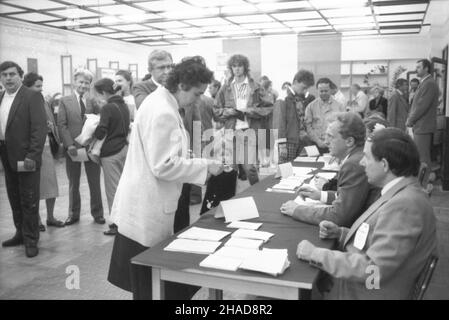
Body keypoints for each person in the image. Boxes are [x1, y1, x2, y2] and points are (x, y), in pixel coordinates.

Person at [108, 56, 223, 299]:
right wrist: (206, 166)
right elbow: (163, 165)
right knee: (148, 283)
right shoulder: (163, 111)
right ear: (182, 85)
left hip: (144, 199)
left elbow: (165, 149)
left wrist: (191, 156)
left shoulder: (163, 102)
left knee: (147, 281)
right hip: (148, 205)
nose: (199, 98)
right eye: (197, 93)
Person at [296, 128, 438, 299]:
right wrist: (342, 234)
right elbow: (381, 240)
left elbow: (373, 270)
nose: (362, 162)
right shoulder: (402, 192)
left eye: (367, 157)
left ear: (384, 165)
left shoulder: (405, 206)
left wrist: (315, 254)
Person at [280, 112, 379, 227]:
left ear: (349, 141)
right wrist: (319, 195)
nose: (326, 141)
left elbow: (338, 216)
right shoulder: (356, 157)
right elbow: (348, 197)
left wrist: (297, 210)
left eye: (330, 136)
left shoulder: (353, 164)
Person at [0, 61, 47, 258]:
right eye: (4, 75)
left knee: (29, 199)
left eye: (12, 74)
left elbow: (39, 129)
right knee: (14, 197)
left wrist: (32, 156)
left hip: (26, 158)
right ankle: (20, 233)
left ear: (20, 76)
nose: (8, 78)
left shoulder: (32, 96)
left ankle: (31, 239)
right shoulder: (1, 97)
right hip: (7, 156)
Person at [57, 69, 105, 226]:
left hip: (90, 148)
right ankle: (73, 214)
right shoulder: (65, 100)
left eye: (86, 83)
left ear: (90, 85)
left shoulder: (92, 100)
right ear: (74, 83)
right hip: (73, 149)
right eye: (81, 82)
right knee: (73, 183)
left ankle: (98, 214)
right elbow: (61, 125)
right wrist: (69, 144)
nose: (83, 85)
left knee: (94, 182)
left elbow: (101, 119)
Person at [214, 54, 265, 185]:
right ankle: (230, 196)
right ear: (231, 68)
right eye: (234, 66)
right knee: (231, 167)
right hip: (231, 131)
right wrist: (227, 111)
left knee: (249, 167)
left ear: (245, 67)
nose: (237, 69)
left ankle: (257, 192)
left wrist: (249, 111)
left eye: (240, 66)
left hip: (249, 130)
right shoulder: (226, 87)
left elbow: (268, 107)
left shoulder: (255, 86)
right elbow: (216, 108)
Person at [23, 72, 64, 230]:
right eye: (37, 86)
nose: (40, 89)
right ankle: (37, 220)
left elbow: (51, 122)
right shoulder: (24, 102)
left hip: (46, 148)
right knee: (34, 186)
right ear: (28, 86)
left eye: (41, 86)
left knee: (50, 185)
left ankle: (51, 217)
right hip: (31, 150)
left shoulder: (44, 101)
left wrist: (49, 127)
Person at [92, 78, 130, 236]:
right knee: (124, 188)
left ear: (103, 92)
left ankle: (115, 224)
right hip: (124, 149)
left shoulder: (107, 107)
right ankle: (126, 222)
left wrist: (92, 131)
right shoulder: (124, 105)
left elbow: (102, 130)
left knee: (112, 190)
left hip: (111, 153)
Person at [406, 59, 439, 185]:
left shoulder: (429, 83)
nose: (416, 69)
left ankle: (423, 184)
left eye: (419, 67)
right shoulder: (425, 83)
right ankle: (421, 182)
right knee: (420, 156)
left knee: (423, 157)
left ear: (426, 68)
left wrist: (410, 120)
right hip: (420, 125)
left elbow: (421, 106)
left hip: (423, 126)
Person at [273, 69, 315, 163]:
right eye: (304, 87)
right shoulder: (282, 98)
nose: (305, 90)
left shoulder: (299, 98)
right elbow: (279, 123)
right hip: (288, 142)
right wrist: (282, 144)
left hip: (300, 141)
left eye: (307, 88)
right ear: (295, 82)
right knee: (286, 172)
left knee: (298, 171)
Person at [304, 78, 345, 154]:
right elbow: (308, 126)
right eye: (321, 91)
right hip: (316, 144)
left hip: (334, 145)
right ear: (317, 90)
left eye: (326, 91)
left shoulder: (339, 106)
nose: (323, 93)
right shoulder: (311, 106)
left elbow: (343, 125)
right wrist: (318, 141)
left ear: (331, 90)